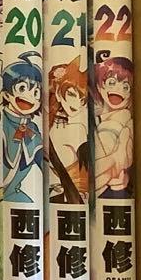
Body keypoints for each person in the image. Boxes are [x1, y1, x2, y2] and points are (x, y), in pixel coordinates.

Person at [0, 52, 43, 204]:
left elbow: (40, 158)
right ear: (6, 94)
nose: (30, 97)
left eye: (35, 92)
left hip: (14, 196)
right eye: (22, 88)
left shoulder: (33, 128)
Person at [46, 55, 89, 204]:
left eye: (82, 99)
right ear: (58, 93)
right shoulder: (46, 127)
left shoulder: (78, 129)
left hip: (75, 201)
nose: (76, 103)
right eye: (71, 94)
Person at [93, 53, 134, 199]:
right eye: (111, 82)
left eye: (126, 87)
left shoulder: (122, 121)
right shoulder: (96, 118)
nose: (119, 89)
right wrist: (116, 157)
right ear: (100, 86)